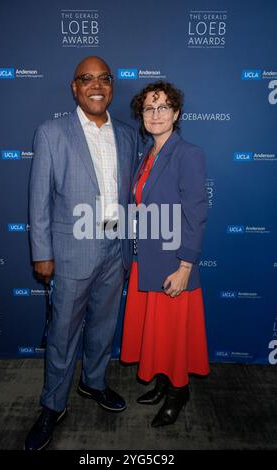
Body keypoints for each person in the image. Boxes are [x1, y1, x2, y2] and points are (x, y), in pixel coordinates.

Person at [25, 56, 137, 451]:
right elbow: (38, 200)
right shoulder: (52, 133)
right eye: (86, 79)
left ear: (112, 86)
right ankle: (52, 405)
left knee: (104, 326)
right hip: (70, 252)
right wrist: (42, 252)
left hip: (114, 249)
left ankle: (93, 382)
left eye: (103, 78)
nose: (96, 85)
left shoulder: (127, 135)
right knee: (62, 334)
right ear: (74, 87)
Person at [120, 81, 209, 427]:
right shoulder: (147, 155)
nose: (156, 114)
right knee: (155, 332)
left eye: (163, 107)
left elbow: (196, 211)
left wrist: (186, 265)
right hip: (147, 259)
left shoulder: (188, 153)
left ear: (176, 113)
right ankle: (161, 382)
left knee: (172, 334)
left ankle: (178, 391)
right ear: (141, 116)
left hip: (173, 263)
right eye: (148, 108)